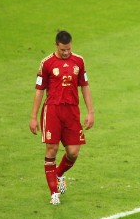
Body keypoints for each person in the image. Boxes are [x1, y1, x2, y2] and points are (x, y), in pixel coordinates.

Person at [30, 30, 95, 205]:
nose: (66, 53)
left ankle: (58, 174)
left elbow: (85, 87)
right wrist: (33, 117)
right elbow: (39, 91)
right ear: (56, 45)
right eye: (62, 50)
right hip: (52, 110)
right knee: (51, 150)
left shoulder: (79, 61)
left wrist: (90, 112)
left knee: (73, 152)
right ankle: (54, 194)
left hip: (72, 111)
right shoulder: (47, 63)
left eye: (68, 49)